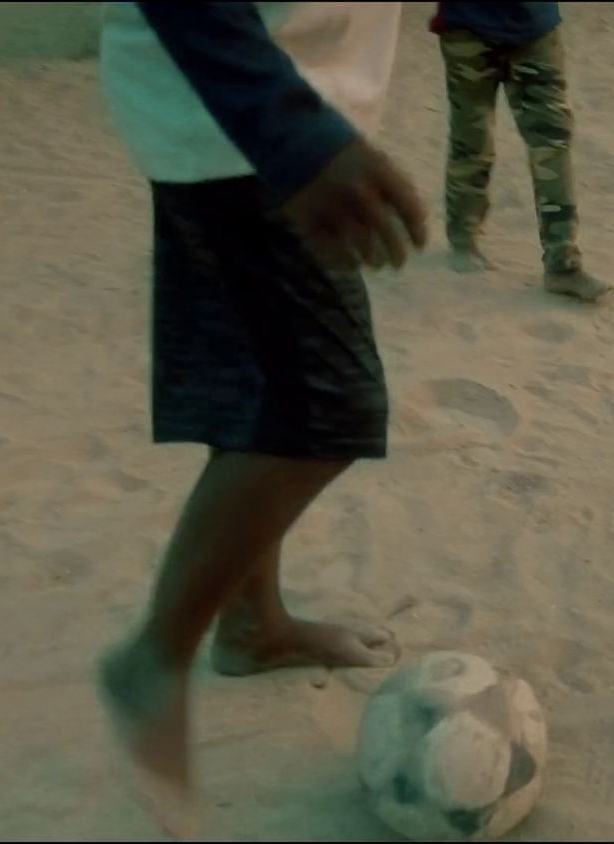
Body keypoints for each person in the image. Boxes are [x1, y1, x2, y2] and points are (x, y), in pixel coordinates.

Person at [93, 0, 426, 827]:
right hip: (245, 116)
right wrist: (294, 137)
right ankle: (153, 660)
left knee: (259, 383)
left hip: (235, 106)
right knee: (325, 409)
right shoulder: (276, 130)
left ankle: (252, 627)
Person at [432, 1, 609, 302]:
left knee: (551, 141)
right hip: (468, 29)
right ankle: (462, 237)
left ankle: (562, 262)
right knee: (472, 139)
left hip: (534, 28)